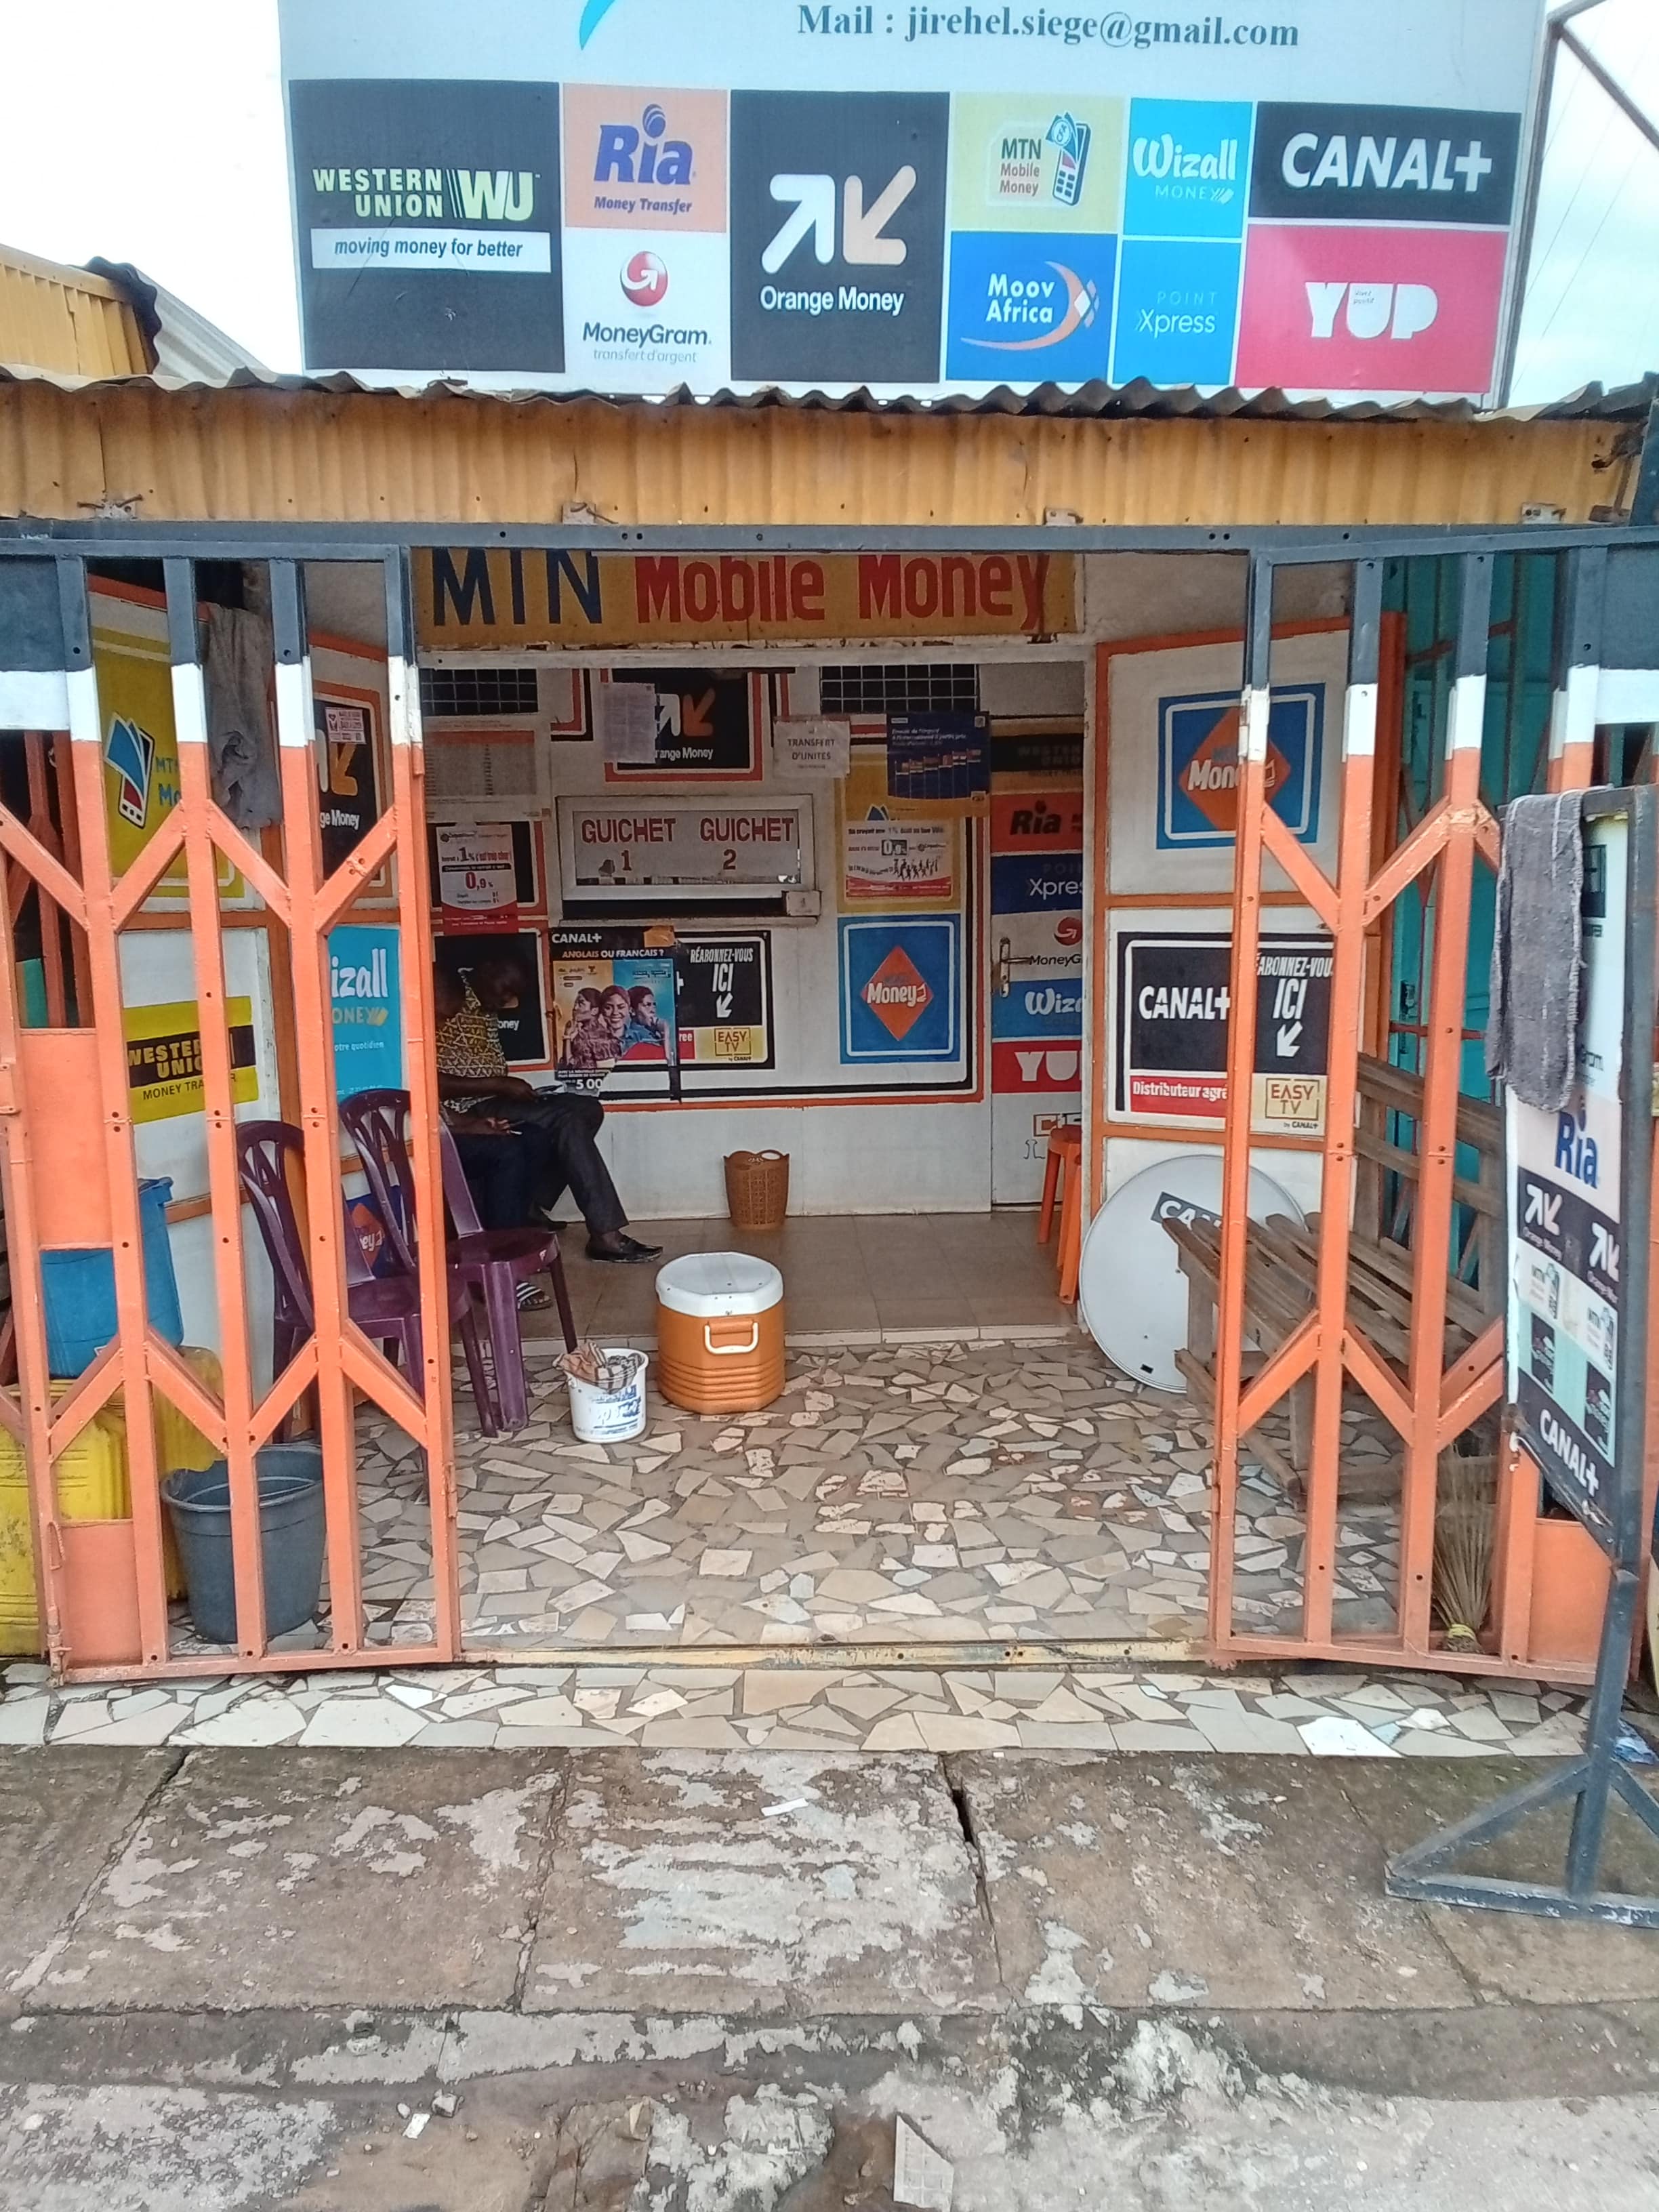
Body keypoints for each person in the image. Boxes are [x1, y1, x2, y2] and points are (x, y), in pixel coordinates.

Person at [433, 962, 661, 1265]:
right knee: (566, 1120)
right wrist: (499, 1083)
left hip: (498, 1097)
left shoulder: (483, 999)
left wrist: (505, 1086)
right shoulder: (446, 1001)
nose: (508, 1000)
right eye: (505, 990)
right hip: (470, 1106)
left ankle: (531, 1202)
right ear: (485, 972)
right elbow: (430, 1082)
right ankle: (606, 1235)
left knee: (588, 1108)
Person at [620, 982, 668, 1059]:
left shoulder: (655, 1033)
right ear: (632, 1011)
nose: (653, 1010)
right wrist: (665, 1034)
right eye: (648, 1005)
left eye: (654, 1005)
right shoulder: (633, 1037)